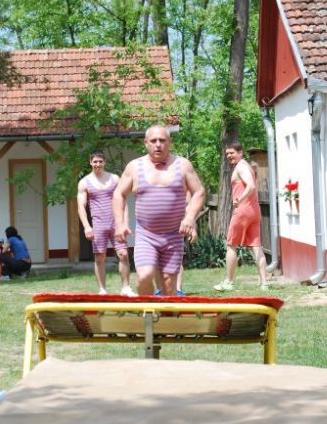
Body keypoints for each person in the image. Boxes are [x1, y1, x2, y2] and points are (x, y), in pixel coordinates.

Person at [113, 125, 205, 295]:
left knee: (169, 285)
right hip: (146, 234)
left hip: (173, 235)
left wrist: (190, 218)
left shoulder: (183, 165)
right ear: (145, 143)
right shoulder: (135, 166)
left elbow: (199, 192)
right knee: (144, 276)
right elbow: (119, 194)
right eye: (153, 141)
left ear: (169, 142)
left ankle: (166, 312)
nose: (158, 144)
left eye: (162, 140)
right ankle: (147, 311)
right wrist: (119, 224)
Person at [77, 151, 136, 296]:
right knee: (100, 257)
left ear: (104, 162)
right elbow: (81, 207)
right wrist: (86, 227)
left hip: (116, 223)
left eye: (100, 161)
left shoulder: (114, 179)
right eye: (95, 162)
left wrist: (125, 223)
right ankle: (102, 290)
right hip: (98, 224)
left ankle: (126, 288)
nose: (97, 164)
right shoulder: (84, 182)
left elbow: (123, 201)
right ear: (90, 162)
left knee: (123, 254)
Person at [214, 143, 268, 291]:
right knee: (256, 246)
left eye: (231, 153)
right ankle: (264, 283)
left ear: (240, 152)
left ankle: (229, 282)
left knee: (231, 245)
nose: (229, 156)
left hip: (243, 211)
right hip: (254, 211)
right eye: (227, 154)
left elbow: (251, 186)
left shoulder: (241, 167)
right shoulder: (247, 166)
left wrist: (239, 199)